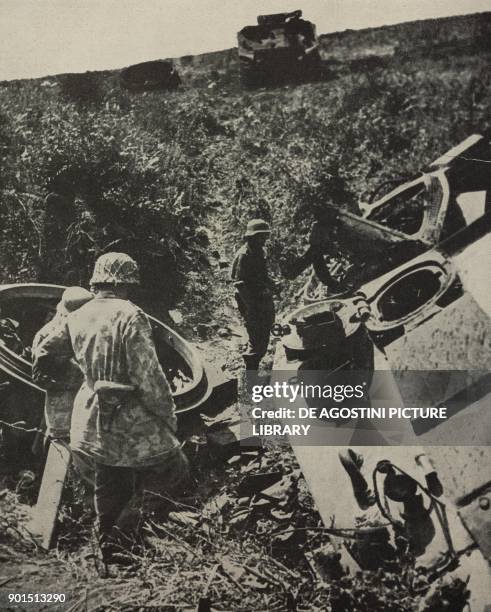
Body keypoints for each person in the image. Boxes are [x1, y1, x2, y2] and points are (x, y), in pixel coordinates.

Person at [34, 252, 189, 563]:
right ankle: (123, 536)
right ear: (125, 283)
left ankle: (104, 545)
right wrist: (167, 416)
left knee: (108, 481)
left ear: (98, 279)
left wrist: (53, 378)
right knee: (175, 469)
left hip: (89, 415)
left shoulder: (77, 314)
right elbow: (148, 377)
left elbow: (45, 351)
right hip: (127, 416)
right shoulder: (131, 316)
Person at [32, 287, 93, 441]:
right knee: (60, 450)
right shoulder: (50, 336)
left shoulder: (46, 333)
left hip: (67, 409)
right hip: (63, 409)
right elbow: (41, 375)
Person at [231, 219, 276, 371]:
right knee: (256, 336)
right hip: (249, 299)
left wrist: (271, 285)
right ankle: (252, 373)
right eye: (259, 237)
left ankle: (255, 360)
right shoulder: (245, 255)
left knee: (265, 329)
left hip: (261, 297)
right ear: (251, 237)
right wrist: (251, 308)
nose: (263, 240)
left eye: (264, 237)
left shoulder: (259, 251)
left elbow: (261, 275)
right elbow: (240, 284)